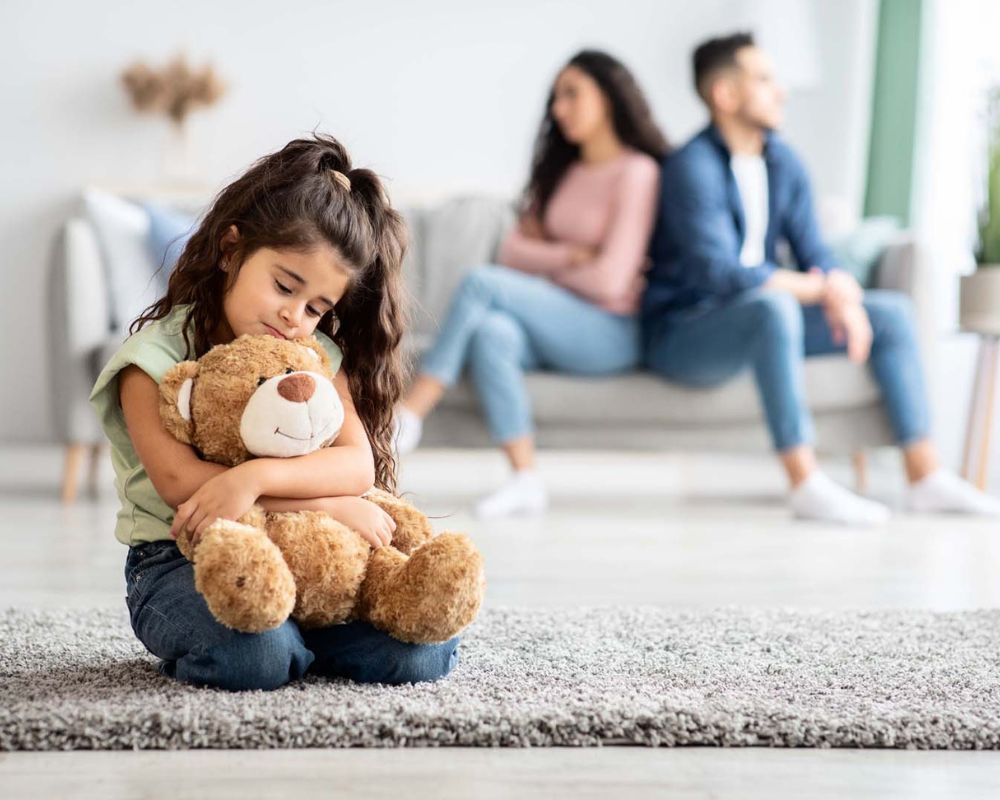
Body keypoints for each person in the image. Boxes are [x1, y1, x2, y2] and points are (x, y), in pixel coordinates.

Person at [90, 135, 460, 691]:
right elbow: (182, 485)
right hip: (181, 559)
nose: (294, 316)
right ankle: (285, 647)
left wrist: (254, 479)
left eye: (316, 308)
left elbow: (356, 465)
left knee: (421, 653)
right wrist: (328, 503)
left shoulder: (315, 356)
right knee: (256, 656)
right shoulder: (151, 361)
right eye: (285, 286)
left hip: (304, 552)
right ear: (230, 249)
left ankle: (298, 642)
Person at [642, 32, 1000, 525]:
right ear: (724, 94)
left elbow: (816, 253)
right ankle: (805, 482)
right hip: (688, 330)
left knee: (891, 313)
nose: (781, 91)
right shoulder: (691, 166)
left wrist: (842, 293)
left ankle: (924, 477)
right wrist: (818, 289)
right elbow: (718, 272)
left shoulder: (783, 162)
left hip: (763, 318)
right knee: (772, 308)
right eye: (764, 80)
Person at [394, 50, 667, 517]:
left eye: (572, 94)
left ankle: (412, 411)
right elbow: (512, 252)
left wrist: (548, 267)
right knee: (491, 332)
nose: (559, 109)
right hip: (554, 323)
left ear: (608, 96)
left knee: (482, 284)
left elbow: (609, 281)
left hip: (610, 331)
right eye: (556, 98)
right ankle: (525, 479)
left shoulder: (637, 172)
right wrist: (571, 256)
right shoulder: (563, 173)